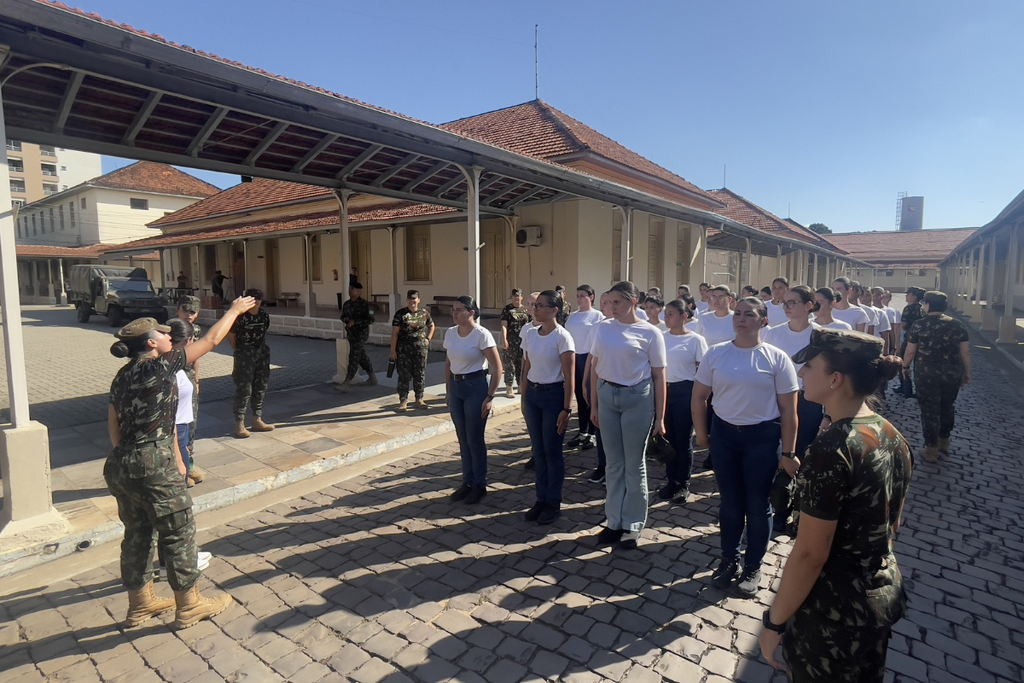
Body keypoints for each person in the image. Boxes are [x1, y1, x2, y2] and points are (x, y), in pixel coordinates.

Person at [759, 329, 910, 682]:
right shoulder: (889, 433)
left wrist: (774, 622)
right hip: (877, 602)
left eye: (810, 366)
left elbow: (811, 553)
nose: (801, 373)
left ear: (835, 379)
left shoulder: (831, 450)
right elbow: (893, 522)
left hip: (833, 616)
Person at [105, 295, 254, 629]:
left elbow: (113, 425)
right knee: (178, 532)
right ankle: (189, 605)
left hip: (121, 464)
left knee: (137, 534)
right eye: (162, 334)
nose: (168, 335)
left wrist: (144, 457)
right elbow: (212, 340)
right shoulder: (162, 364)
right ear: (150, 343)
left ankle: (140, 605)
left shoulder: (121, 376)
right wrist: (234, 310)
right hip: (151, 463)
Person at [692, 297, 798, 596]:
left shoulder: (776, 358)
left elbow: (789, 411)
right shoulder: (717, 354)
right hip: (725, 437)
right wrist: (702, 433)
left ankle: (753, 566)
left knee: (757, 504)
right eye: (737, 313)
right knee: (730, 502)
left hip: (762, 440)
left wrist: (788, 453)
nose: (740, 318)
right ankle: (729, 559)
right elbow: (699, 396)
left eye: (748, 314)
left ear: (763, 321)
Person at [589, 281, 667, 550]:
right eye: (609, 302)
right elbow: (595, 366)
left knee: (634, 464)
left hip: (637, 400)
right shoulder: (604, 327)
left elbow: (659, 375)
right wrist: (594, 405)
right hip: (607, 397)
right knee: (613, 463)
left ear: (633, 302)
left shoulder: (650, 332)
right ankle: (613, 522)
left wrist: (660, 417)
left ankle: (632, 524)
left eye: (617, 302)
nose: (611, 307)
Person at [762, 285, 823, 533]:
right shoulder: (772, 334)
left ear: (808, 306)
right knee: (774, 454)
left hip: (808, 401)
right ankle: (771, 507)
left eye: (792, 303)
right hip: (776, 400)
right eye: (784, 303)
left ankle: (790, 509)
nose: (786, 307)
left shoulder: (820, 336)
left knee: (799, 456)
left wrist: (827, 415)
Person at [521, 290, 575, 525]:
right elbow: (526, 365)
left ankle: (553, 502)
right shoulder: (531, 334)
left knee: (552, 452)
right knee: (538, 450)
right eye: (535, 305)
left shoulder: (562, 337)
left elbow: (569, 376)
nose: (535, 308)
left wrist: (567, 408)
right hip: (533, 395)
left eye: (541, 305)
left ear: (554, 310)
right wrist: (524, 397)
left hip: (553, 396)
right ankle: (540, 499)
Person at [444, 296, 503, 504]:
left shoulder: (481, 334)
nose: (455, 313)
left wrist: (490, 396)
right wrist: (448, 389)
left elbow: (498, 368)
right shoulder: (451, 333)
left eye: (459, 310)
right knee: (462, 438)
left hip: (475, 387)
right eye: (453, 310)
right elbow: (449, 362)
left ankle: (479, 484)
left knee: (474, 438)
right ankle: (467, 482)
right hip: (457, 387)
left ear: (471, 313)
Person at [903, 291, 970, 463]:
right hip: (952, 372)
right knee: (947, 405)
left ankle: (931, 448)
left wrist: (904, 367)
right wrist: (967, 372)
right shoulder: (957, 325)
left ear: (928, 305)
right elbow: (965, 352)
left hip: (926, 373)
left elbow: (910, 351)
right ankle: (944, 441)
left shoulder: (919, 325)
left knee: (929, 409)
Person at [658, 299, 707, 503]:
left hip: (685, 391)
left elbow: (704, 370)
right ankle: (671, 481)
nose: (666, 317)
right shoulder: (661, 337)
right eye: (666, 313)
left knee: (683, 439)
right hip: (664, 390)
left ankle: (683, 483)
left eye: (671, 314)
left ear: (684, 316)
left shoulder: (695, 340)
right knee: (667, 438)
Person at [227, 288, 274, 439]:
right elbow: (231, 336)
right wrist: (241, 350)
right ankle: (240, 422)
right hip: (245, 355)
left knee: (260, 386)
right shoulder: (240, 317)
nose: (257, 301)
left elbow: (264, 331)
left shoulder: (264, 315)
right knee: (244, 388)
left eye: (259, 298)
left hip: (261, 353)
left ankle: (256, 419)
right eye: (254, 298)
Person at [565, 285, 603, 451]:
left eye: (583, 296)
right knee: (579, 396)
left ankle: (593, 433)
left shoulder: (597, 317)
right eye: (578, 296)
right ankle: (582, 431)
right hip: (573, 357)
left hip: (589, 358)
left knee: (590, 395)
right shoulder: (572, 317)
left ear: (591, 297)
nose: (579, 299)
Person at [176, 296, 205, 485]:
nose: (189, 315)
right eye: (186, 310)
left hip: (188, 379)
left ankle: (189, 462)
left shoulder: (196, 330)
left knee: (191, 421)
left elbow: (197, 355)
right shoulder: (169, 329)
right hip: (173, 377)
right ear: (177, 309)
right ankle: (177, 468)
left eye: (193, 312)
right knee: (176, 425)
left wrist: (196, 378)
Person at [390, 290, 435, 411]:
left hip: (420, 349)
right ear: (407, 300)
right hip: (404, 350)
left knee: (419, 374)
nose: (412, 301)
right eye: (410, 299)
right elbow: (395, 333)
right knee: (404, 375)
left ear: (419, 300)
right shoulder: (401, 314)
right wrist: (393, 351)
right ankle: (403, 400)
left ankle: (419, 399)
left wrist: (428, 339)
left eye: (414, 299)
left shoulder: (424, 313)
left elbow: (431, 325)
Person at [338, 282, 377, 388]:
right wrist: (347, 321)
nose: (350, 290)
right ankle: (372, 377)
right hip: (351, 334)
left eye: (352, 289)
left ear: (358, 291)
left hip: (361, 334)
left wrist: (356, 322)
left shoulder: (365, 305)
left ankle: (346, 382)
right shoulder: (347, 304)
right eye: (349, 288)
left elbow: (371, 319)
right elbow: (342, 316)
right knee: (361, 356)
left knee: (354, 356)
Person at [500, 289, 531, 399]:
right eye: (514, 296)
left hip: (523, 342)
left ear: (522, 297)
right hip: (511, 342)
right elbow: (504, 325)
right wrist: (504, 339)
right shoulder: (507, 310)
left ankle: (520, 385)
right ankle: (509, 387)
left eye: (518, 296)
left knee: (521, 364)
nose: (516, 299)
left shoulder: (526, 310)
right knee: (509, 365)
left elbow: (531, 325)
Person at [899, 287, 926, 397]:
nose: (906, 296)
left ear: (914, 296)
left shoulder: (908, 309)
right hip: (923, 340)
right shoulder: (923, 309)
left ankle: (905, 387)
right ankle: (920, 390)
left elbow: (904, 324)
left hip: (910, 338)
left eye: (908, 294)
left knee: (904, 361)